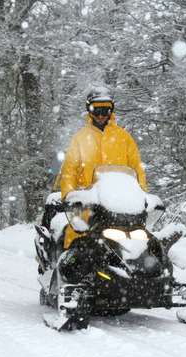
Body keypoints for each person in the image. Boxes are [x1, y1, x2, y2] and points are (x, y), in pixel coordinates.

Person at [35, 86, 147, 279]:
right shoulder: (80, 138)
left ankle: (140, 274)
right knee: (75, 238)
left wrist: (142, 195)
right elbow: (69, 171)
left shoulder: (124, 138)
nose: (102, 115)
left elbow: (137, 169)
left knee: (137, 239)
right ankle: (67, 278)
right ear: (89, 110)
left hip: (117, 204)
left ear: (111, 111)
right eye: (97, 110)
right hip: (86, 203)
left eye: (106, 110)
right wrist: (70, 196)